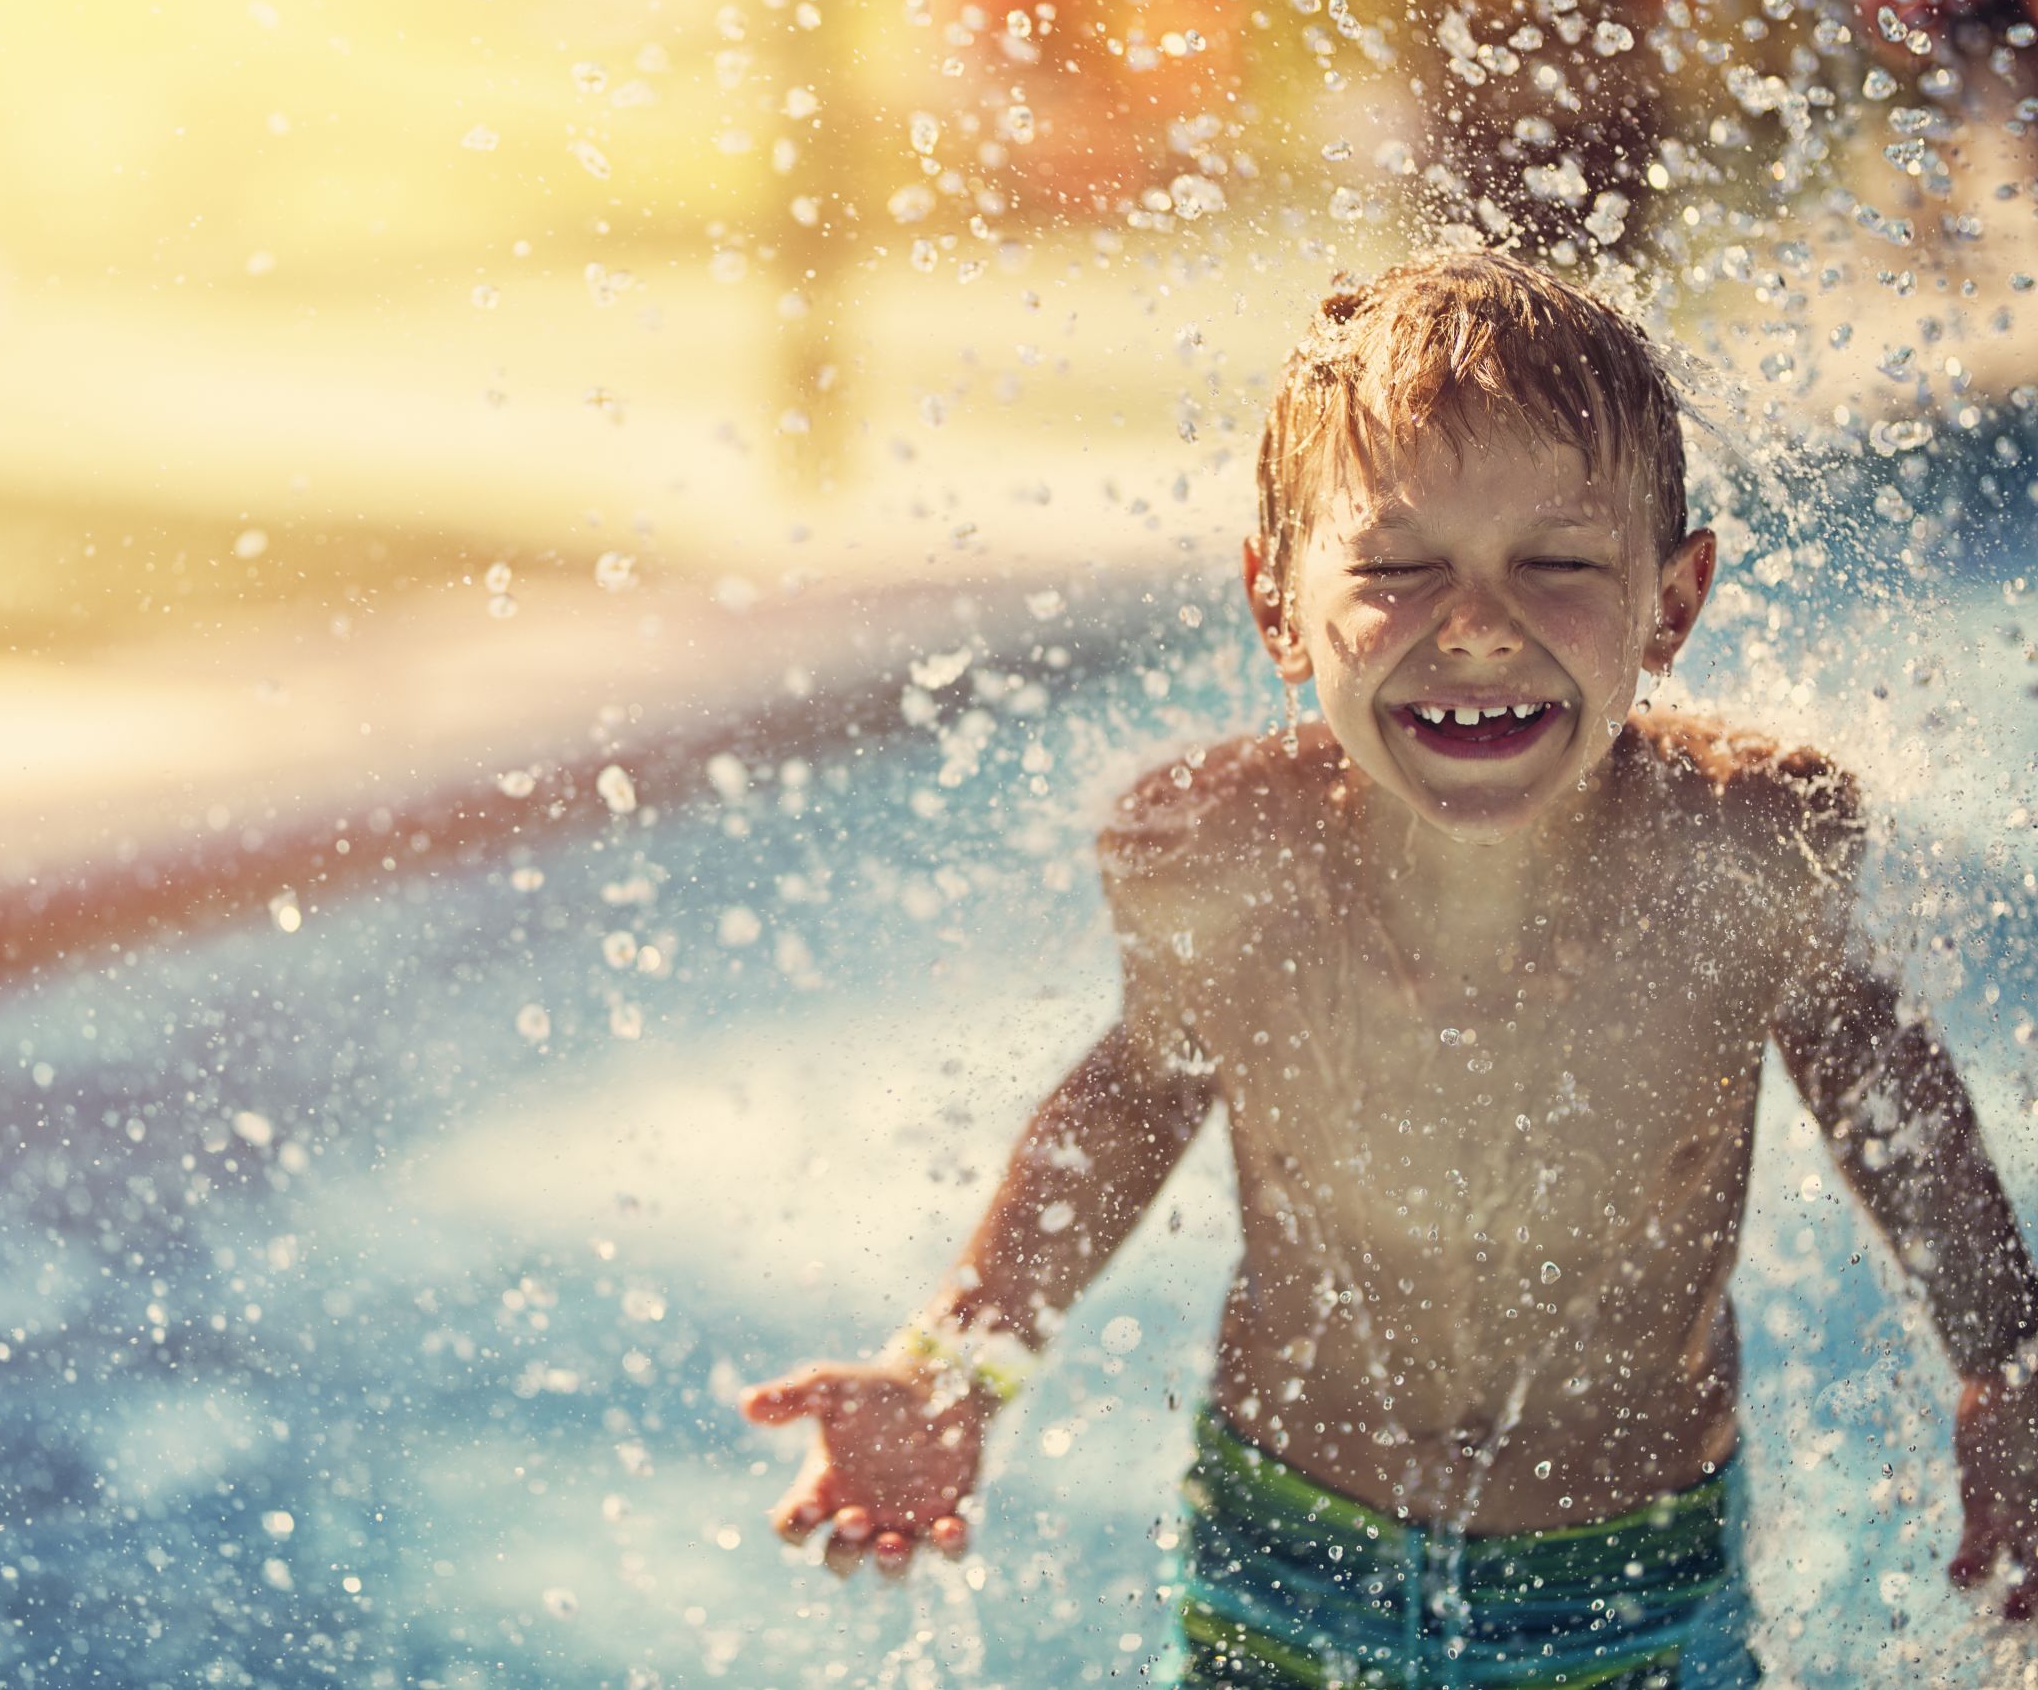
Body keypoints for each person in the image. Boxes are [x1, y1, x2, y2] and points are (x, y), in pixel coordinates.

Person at [740, 252, 2038, 1684]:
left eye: (1556, 563)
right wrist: (959, 1362)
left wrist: (2006, 1360)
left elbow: (1883, 1083)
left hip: (1628, 1577)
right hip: (1292, 1549)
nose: (1476, 621)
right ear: (1277, 606)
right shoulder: (1228, 864)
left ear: (1672, 602)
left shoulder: (1739, 858)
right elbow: (1127, 1103)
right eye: (1397, 567)